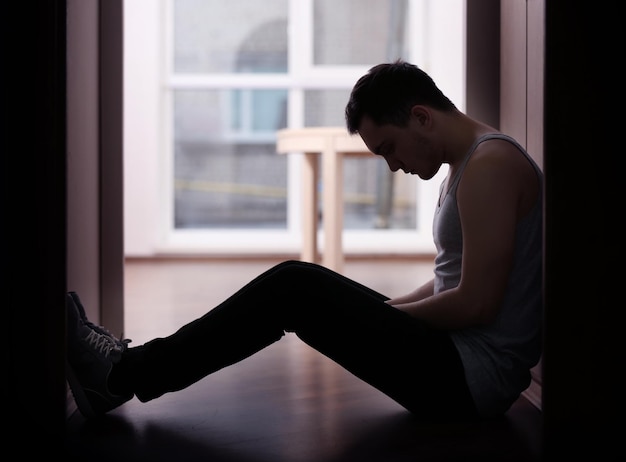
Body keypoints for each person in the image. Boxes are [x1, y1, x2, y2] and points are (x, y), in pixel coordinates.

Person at [66, 60, 543, 423]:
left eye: (388, 148)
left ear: (421, 117)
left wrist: (377, 317)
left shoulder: (489, 167)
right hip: (454, 359)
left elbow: (477, 305)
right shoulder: (469, 164)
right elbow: (450, 280)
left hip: (468, 381)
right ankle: (128, 371)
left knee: (296, 286)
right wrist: (380, 314)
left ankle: (121, 376)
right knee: (300, 282)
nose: (392, 165)